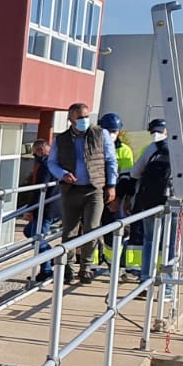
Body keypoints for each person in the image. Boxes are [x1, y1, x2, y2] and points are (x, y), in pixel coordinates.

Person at [132, 114, 183, 279]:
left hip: (150, 202)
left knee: (149, 240)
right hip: (176, 205)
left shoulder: (155, 148)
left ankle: (145, 278)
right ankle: (168, 285)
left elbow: (135, 172)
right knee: (171, 244)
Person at [45, 103, 118, 283]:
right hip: (70, 190)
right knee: (69, 230)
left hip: (94, 189)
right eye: (79, 117)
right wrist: (62, 174)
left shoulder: (101, 134)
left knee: (91, 229)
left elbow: (111, 160)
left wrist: (111, 185)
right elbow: (51, 162)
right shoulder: (61, 139)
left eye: (86, 116)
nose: (84, 120)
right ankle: (67, 268)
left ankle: (86, 267)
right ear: (70, 119)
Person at [20, 138, 59, 281]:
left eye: (35, 154)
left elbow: (39, 189)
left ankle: (47, 268)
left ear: (40, 151)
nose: (35, 158)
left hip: (46, 208)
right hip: (56, 207)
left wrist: (30, 210)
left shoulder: (45, 165)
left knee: (37, 239)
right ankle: (52, 254)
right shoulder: (57, 162)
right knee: (28, 231)